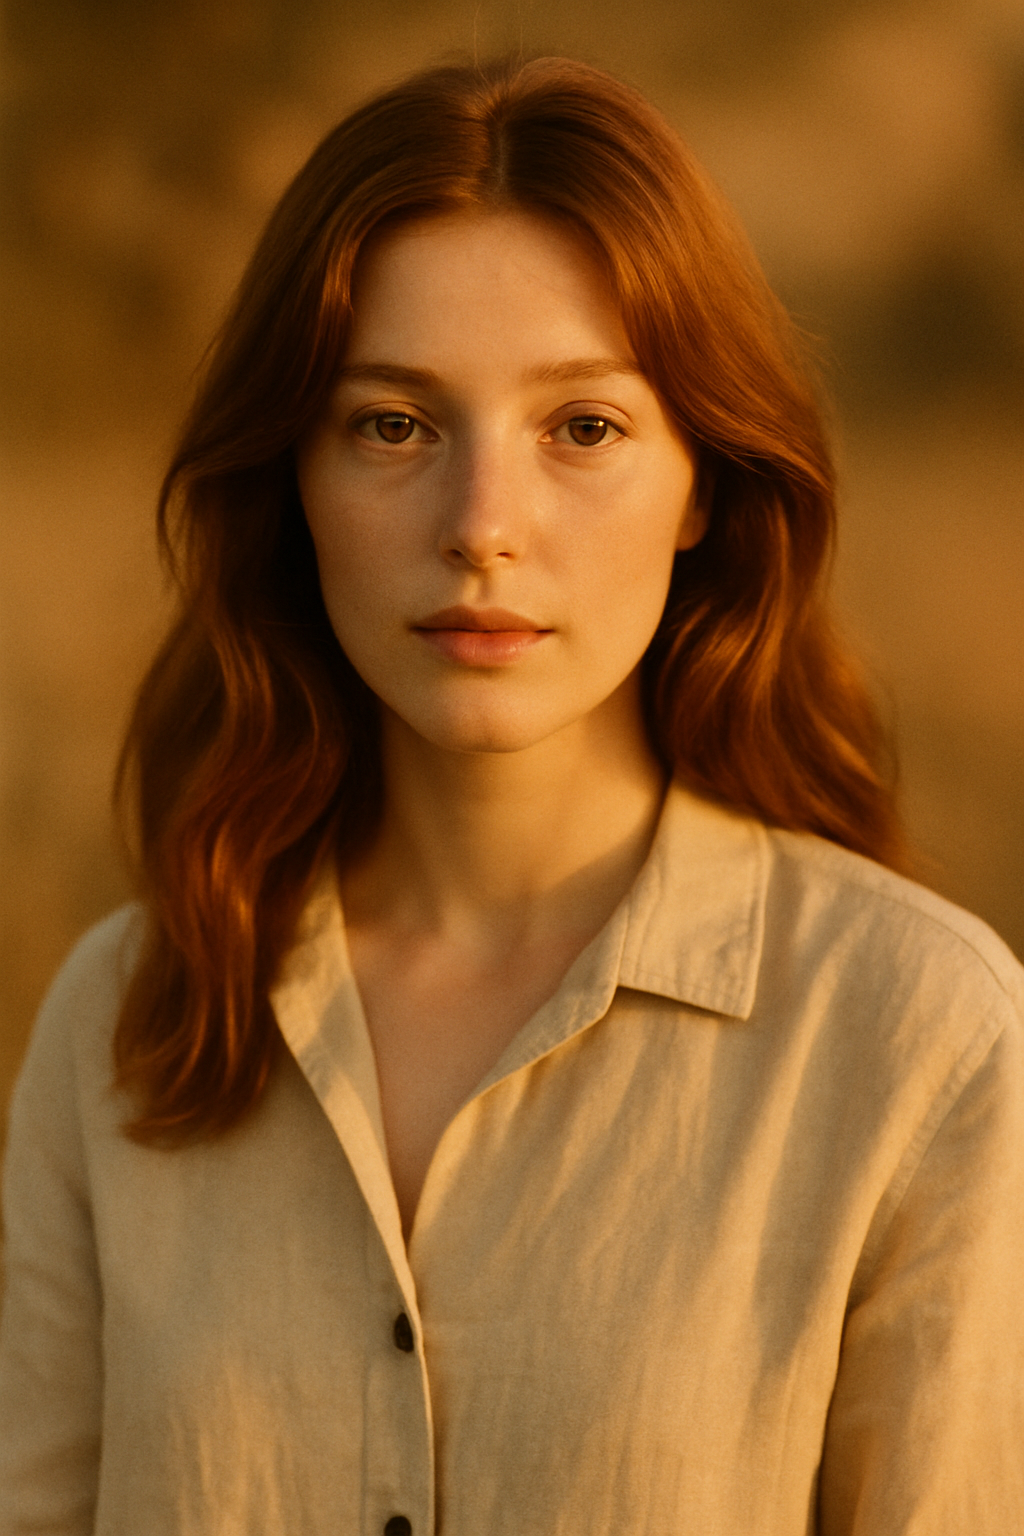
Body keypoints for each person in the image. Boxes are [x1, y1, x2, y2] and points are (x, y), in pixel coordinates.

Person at [1, 54, 1022, 1536]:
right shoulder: (125, 1020)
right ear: (291, 477)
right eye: (393, 425)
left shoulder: (924, 1048)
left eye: (584, 428)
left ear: (706, 486)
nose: (483, 526)